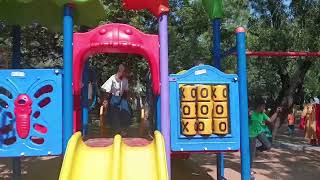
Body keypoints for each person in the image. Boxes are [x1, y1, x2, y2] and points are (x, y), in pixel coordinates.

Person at [249, 98, 281, 179]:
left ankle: (256, 150)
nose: (264, 108)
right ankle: (249, 170)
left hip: (259, 132)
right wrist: (248, 114)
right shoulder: (251, 113)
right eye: (263, 106)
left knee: (268, 146)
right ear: (259, 106)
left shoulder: (262, 114)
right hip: (251, 134)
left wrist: (276, 112)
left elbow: (270, 120)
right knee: (251, 154)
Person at [101, 64, 131, 136]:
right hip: (113, 97)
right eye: (125, 72)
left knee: (126, 111)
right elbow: (106, 91)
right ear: (121, 72)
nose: (127, 74)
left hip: (122, 98)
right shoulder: (112, 79)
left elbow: (126, 91)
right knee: (115, 113)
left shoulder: (125, 80)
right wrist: (105, 101)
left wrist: (128, 98)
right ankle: (117, 130)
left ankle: (123, 128)